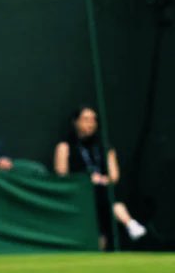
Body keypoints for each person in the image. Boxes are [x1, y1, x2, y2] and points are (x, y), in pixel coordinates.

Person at [53, 105, 146, 251]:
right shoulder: (65, 147)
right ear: (75, 122)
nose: (90, 123)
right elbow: (61, 174)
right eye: (86, 119)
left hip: (102, 193)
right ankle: (129, 224)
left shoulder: (105, 147)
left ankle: (129, 224)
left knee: (107, 200)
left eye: (93, 120)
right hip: (78, 194)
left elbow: (114, 176)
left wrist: (102, 180)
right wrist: (85, 180)